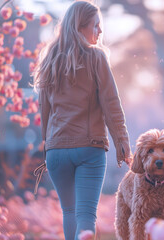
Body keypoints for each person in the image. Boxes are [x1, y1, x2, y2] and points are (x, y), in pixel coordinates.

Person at [33, 1, 132, 239]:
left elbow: (43, 110)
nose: (100, 31)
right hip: (89, 147)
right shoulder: (96, 57)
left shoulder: (49, 60)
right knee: (86, 215)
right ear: (80, 27)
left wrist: (48, 145)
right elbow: (111, 104)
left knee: (69, 212)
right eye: (95, 26)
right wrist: (122, 142)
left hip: (56, 151)